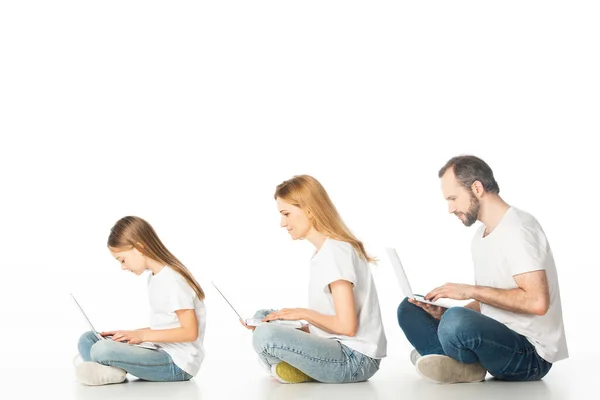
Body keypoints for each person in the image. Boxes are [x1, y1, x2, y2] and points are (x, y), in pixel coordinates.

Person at [397, 155, 568, 384]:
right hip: (497, 337)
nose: (450, 208)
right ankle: (454, 362)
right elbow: (494, 298)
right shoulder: (480, 236)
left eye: (453, 198)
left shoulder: (519, 229)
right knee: (409, 309)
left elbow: (537, 302)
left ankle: (445, 358)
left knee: (456, 321)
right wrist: (443, 312)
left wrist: (469, 292)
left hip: (529, 355)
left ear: (477, 188)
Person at [246, 174, 387, 383]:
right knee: (265, 316)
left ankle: (297, 369)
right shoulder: (325, 251)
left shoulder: (335, 252)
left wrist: (302, 313)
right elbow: (333, 323)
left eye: (286, 214)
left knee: (265, 336)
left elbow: (347, 327)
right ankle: (301, 367)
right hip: (339, 347)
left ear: (309, 210)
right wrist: (295, 325)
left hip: (354, 360)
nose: (282, 223)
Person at [74, 216, 206, 385]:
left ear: (139, 248)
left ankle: (108, 369)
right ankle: (108, 368)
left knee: (101, 348)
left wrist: (141, 335)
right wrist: (129, 335)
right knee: (88, 339)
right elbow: (165, 327)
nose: (122, 266)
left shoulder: (174, 280)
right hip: (157, 349)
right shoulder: (155, 277)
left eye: (122, 259)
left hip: (176, 364)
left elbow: (190, 332)